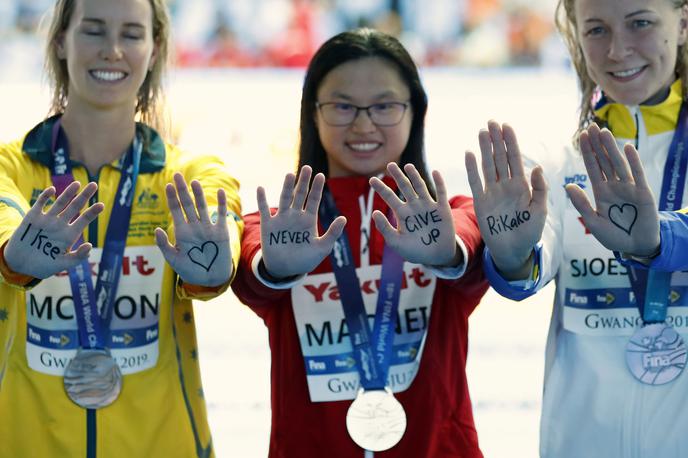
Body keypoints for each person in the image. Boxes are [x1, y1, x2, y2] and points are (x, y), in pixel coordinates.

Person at [0, 0, 242, 456]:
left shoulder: (191, 173)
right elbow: (3, 223)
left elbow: (220, 222)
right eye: (93, 31)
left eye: (131, 34)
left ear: (154, 51)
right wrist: (14, 258)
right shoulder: (9, 168)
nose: (112, 49)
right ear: (59, 42)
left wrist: (211, 270)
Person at [231, 28, 488, 457]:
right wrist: (276, 270)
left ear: (415, 112)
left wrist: (446, 254)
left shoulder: (448, 218)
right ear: (312, 113)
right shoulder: (283, 229)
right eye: (343, 106)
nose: (364, 124)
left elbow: (469, 240)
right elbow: (254, 265)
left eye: (385, 106)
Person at [465, 0, 688, 456]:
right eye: (597, 30)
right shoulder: (557, 161)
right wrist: (511, 255)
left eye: (640, 23)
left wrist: (661, 240)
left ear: (682, 23)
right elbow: (525, 269)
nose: (618, 50)